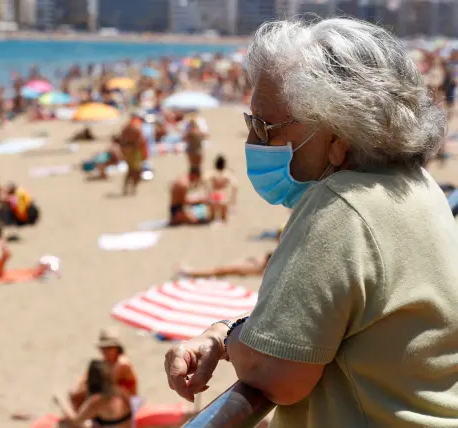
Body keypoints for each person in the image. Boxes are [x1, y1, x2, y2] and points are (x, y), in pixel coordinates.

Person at [164, 19, 458, 428]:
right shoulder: (418, 186)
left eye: (264, 127)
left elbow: (277, 374)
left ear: (337, 135)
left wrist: (227, 339)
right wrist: (224, 335)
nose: (252, 142)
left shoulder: (340, 206)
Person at [69, 328, 138, 412]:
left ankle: (79, 420)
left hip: (127, 402)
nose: (105, 351)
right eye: (103, 348)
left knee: (98, 397)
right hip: (111, 399)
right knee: (76, 394)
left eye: (109, 348)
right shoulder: (104, 362)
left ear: (117, 348)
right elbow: (86, 379)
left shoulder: (122, 363)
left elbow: (107, 382)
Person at [119, 119, 148, 196]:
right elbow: (141, 141)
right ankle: (131, 188)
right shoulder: (133, 130)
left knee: (132, 171)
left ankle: (129, 188)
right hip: (134, 152)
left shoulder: (127, 130)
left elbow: (140, 142)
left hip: (133, 152)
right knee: (134, 171)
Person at [206, 155, 238, 223]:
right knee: (224, 219)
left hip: (214, 195)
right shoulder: (227, 173)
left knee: (211, 218)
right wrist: (233, 199)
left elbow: (205, 180)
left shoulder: (212, 172)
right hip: (223, 196)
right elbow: (235, 185)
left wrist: (208, 193)